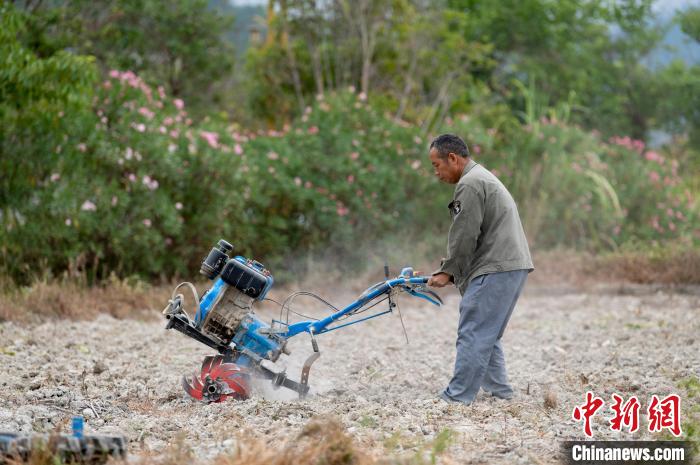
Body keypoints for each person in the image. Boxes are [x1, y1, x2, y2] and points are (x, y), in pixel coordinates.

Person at [426, 133, 534, 405]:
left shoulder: (470, 184)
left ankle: (457, 397)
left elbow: (464, 234)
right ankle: (500, 392)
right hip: (512, 265)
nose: (436, 173)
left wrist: (448, 271)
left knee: (473, 331)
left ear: (453, 158)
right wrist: (451, 268)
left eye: (436, 165)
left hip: (497, 266)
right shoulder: (481, 177)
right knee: (487, 332)